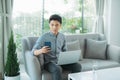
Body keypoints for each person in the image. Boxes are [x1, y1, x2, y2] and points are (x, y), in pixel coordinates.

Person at [32, 14, 81, 80]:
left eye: (57, 25)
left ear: (60, 25)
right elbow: (33, 52)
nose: (54, 27)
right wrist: (41, 51)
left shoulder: (62, 37)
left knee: (77, 66)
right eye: (52, 25)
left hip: (61, 61)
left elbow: (64, 50)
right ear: (49, 25)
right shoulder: (44, 37)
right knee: (57, 69)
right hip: (49, 63)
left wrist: (68, 59)